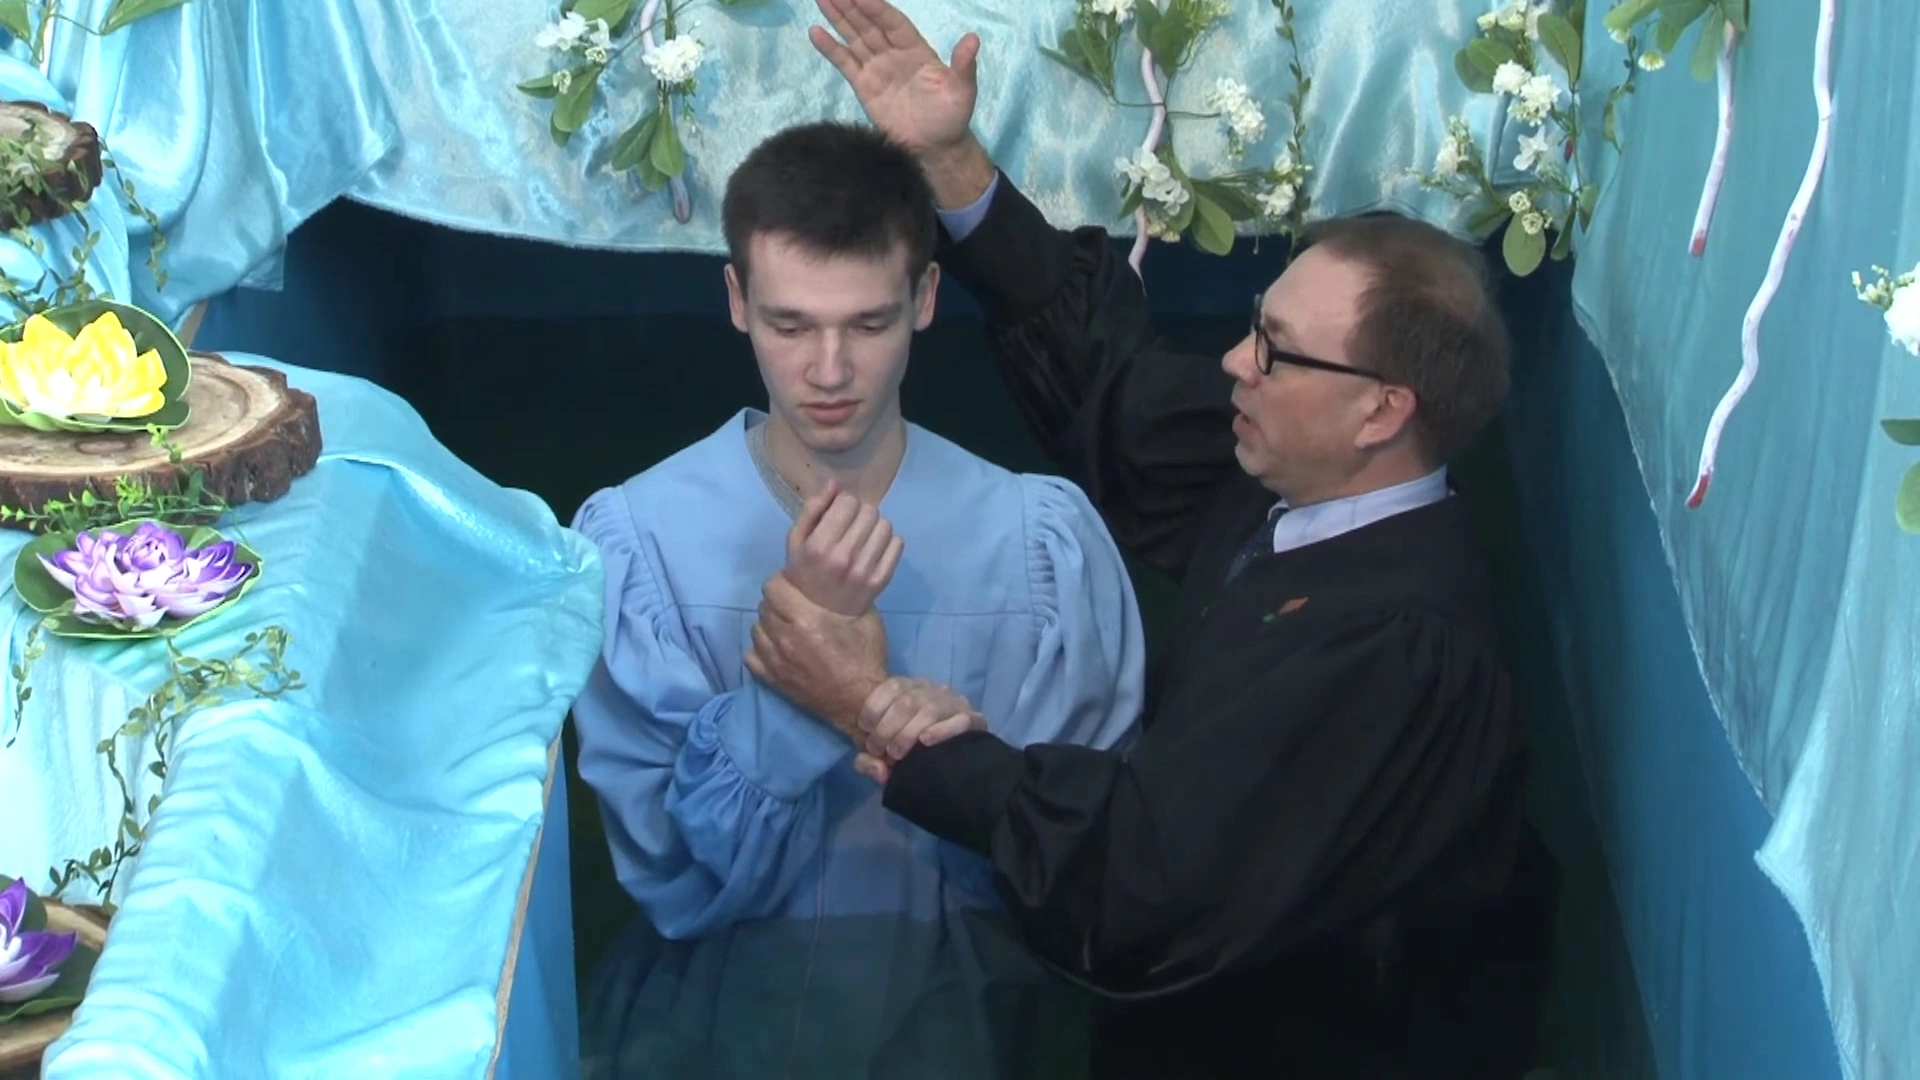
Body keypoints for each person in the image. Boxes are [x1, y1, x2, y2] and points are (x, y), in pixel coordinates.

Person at [740, 2, 1562, 1077]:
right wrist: (949, 161)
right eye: (1255, 325)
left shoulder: (1391, 656)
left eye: (1275, 352)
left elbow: (1141, 880)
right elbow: (1114, 386)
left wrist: (866, 705)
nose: (1234, 362)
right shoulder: (1301, 483)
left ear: (1381, 412)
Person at [568, 119, 1146, 1078]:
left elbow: (1084, 870)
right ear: (736, 301)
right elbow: (672, 880)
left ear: (926, 298)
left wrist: (955, 763)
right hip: (713, 1032)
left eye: (869, 325)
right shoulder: (641, 542)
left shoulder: (1037, 544)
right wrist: (801, 685)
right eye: (790, 324)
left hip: (965, 1027)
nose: (829, 372)